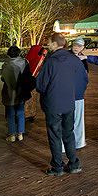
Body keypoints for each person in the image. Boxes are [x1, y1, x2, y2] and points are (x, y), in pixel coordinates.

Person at [36, 33, 85, 175]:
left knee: (54, 135)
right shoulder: (74, 60)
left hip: (53, 103)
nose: (48, 45)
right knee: (69, 133)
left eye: (49, 42)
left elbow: (41, 85)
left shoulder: (50, 62)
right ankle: (74, 163)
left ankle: (57, 166)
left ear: (54, 44)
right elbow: (82, 79)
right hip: (69, 102)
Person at [1, 45, 33, 142]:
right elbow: (28, 76)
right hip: (21, 91)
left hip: (9, 92)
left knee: (11, 113)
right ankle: (20, 133)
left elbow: (3, 78)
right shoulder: (25, 63)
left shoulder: (5, 64)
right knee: (20, 112)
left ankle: (12, 134)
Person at [70, 39, 89, 148]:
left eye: (79, 46)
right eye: (75, 45)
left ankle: (79, 142)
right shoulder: (67, 57)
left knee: (78, 119)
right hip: (68, 93)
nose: (77, 47)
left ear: (83, 48)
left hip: (78, 93)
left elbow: (85, 76)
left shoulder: (83, 59)